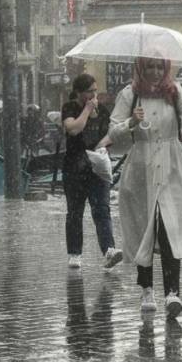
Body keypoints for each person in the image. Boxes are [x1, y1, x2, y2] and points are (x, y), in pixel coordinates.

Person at [108, 57, 182, 316]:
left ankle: (173, 291)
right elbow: (112, 131)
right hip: (141, 165)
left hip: (171, 163)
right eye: (149, 66)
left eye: (159, 67)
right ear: (140, 68)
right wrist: (130, 122)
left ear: (165, 69)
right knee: (143, 226)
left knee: (171, 226)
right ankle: (146, 288)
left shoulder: (174, 91)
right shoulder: (130, 94)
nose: (154, 72)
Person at [62, 74, 123, 271]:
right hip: (75, 167)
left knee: (102, 209)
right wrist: (87, 110)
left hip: (97, 168)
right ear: (79, 92)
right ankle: (75, 253)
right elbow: (73, 129)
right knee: (75, 211)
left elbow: (110, 134)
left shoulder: (103, 111)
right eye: (89, 91)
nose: (93, 94)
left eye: (95, 90)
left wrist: (102, 144)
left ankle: (109, 250)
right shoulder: (70, 108)